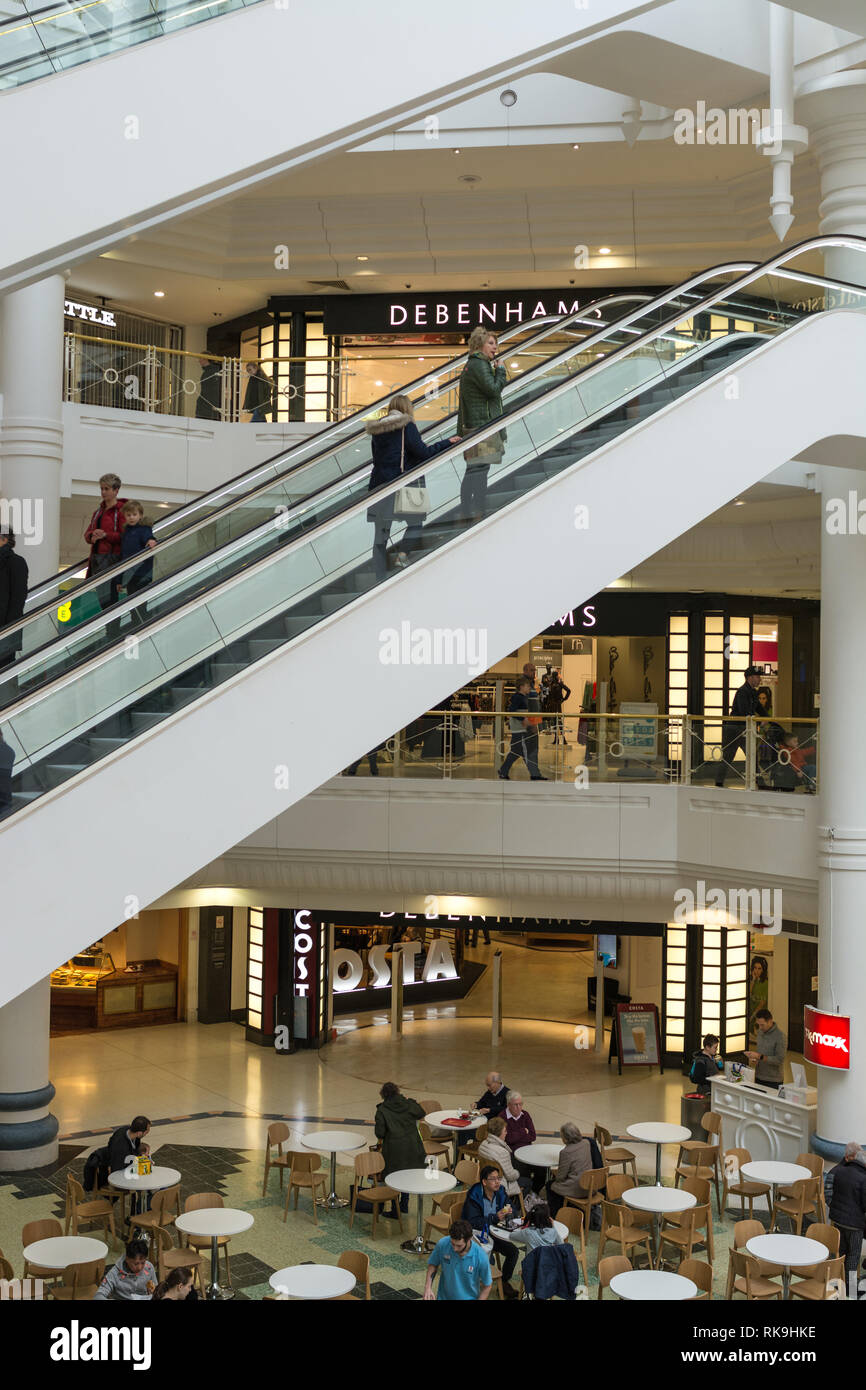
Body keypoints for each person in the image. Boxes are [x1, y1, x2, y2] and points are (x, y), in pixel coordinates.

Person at [365, 394, 459, 580]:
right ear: (407, 408)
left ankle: (379, 576)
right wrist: (446, 442)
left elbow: (378, 457)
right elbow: (423, 452)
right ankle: (402, 556)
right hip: (401, 483)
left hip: (378, 485)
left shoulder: (377, 429)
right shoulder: (406, 425)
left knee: (381, 535)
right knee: (416, 524)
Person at [456, 327, 507, 522]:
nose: (496, 347)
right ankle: (476, 511)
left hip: (476, 425)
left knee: (474, 470)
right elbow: (493, 390)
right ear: (479, 345)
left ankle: (469, 510)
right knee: (478, 472)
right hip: (481, 427)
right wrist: (500, 370)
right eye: (491, 343)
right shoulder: (479, 365)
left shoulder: (475, 364)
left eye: (496, 343)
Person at [461, 1165, 520, 1297]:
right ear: (484, 1182)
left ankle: (503, 1283)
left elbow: (513, 1208)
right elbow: (472, 1222)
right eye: (493, 1179)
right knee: (490, 1261)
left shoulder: (500, 1192)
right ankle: (476, 1289)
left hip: (493, 1233)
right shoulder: (474, 1196)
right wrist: (494, 1217)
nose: (497, 1182)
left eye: (498, 1178)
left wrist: (511, 1212)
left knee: (513, 1252)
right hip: (476, 1236)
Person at [373, 1081, 426, 1213]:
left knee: (393, 1177)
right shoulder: (408, 1104)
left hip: (394, 1150)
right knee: (407, 1174)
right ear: (397, 1091)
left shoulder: (382, 1110)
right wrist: (412, 1101)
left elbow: (379, 1133)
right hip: (413, 1146)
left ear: (383, 1095)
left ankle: (394, 1209)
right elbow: (421, 1112)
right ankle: (404, 1205)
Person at [84, 473, 127, 609]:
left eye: (107, 489)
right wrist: (93, 535)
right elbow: (87, 534)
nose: (103, 492)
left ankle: (113, 629)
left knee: (110, 601)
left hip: (112, 560)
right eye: (102, 489)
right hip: (97, 560)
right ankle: (111, 629)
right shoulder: (98, 512)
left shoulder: (121, 511)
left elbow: (124, 536)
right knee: (103, 601)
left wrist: (105, 535)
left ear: (116, 490)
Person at [827, 1142, 866, 1295]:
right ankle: (850, 1288)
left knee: (841, 1252)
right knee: (853, 1255)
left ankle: (837, 1283)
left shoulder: (840, 1171)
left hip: (837, 1219)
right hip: (855, 1225)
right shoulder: (864, 1178)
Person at [424, 1219, 492, 1301]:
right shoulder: (443, 1244)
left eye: (459, 1246)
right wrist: (428, 1287)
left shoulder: (480, 1256)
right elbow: (433, 1264)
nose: (455, 1249)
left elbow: (487, 1286)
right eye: (452, 1244)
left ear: (469, 1239)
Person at [716, 666, 761, 787]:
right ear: (750, 678)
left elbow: (759, 709)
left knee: (752, 755)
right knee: (728, 756)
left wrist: (769, 720)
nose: (759, 679)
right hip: (734, 730)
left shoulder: (753, 692)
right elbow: (743, 711)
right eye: (757, 677)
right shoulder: (743, 691)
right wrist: (757, 720)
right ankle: (719, 781)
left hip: (744, 729)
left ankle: (759, 781)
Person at [498, 677, 547, 781]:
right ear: (521, 687)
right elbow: (512, 711)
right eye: (527, 686)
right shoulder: (518, 697)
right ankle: (535, 774)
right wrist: (523, 719)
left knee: (516, 751)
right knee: (525, 751)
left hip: (520, 729)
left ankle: (503, 770)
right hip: (519, 730)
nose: (529, 687)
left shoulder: (522, 697)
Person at [478, 1117, 532, 1200]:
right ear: (499, 1133)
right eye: (505, 1131)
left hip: (485, 1180)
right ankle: (514, 1206)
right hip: (500, 1184)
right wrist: (518, 1173)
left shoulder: (482, 1145)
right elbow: (511, 1176)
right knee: (528, 1182)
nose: (506, 1133)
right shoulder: (502, 1152)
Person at [548, 1122, 593, 1216]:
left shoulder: (566, 1152)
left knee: (550, 1185)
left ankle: (556, 1215)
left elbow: (560, 1177)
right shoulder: (586, 1143)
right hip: (590, 1185)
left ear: (566, 1138)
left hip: (577, 1188)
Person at [503, 1091, 545, 1192]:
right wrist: (523, 1131)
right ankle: (525, 1193)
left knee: (542, 1169)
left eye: (520, 1104)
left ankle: (534, 1192)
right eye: (515, 1104)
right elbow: (508, 1139)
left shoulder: (525, 1115)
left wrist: (515, 1136)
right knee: (524, 1172)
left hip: (528, 1150)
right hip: (513, 1154)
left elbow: (532, 1136)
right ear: (509, 1105)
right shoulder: (502, 1117)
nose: (519, 1107)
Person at [0, 528, 28, 671]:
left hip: (5, 630)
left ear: (5, 539)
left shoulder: (16, 562)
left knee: (5, 671)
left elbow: (18, 598)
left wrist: (9, 630)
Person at [117, 502, 157, 600]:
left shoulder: (144, 529)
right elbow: (123, 556)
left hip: (143, 570)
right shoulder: (126, 533)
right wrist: (119, 580)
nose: (131, 517)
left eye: (134, 515)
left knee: (136, 593)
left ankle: (141, 615)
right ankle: (137, 615)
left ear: (140, 516)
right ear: (125, 516)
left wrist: (151, 540)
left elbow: (148, 537)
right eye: (128, 515)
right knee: (131, 594)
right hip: (131, 571)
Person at [746, 1008, 786, 1089]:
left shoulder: (780, 1036)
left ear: (770, 1021)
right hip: (758, 1076)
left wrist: (759, 1056)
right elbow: (760, 1051)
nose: (760, 1028)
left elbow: (779, 1060)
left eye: (762, 1025)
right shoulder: (760, 1032)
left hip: (773, 1080)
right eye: (758, 1024)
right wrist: (754, 1058)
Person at [547, 669, 571, 745]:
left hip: (556, 704)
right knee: (555, 722)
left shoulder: (558, 684)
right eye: (557, 675)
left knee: (558, 721)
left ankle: (562, 739)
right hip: (554, 704)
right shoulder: (553, 684)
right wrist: (563, 699)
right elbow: (549, 696)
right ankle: (557, 739)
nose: (558, 676)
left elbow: (568, 690)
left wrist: (564, 699)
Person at [195, 357, 224, 421]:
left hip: (209, 407)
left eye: (200, 358)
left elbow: (214, 391)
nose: (199, 360)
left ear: (206, 359)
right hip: (206, 406)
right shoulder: (208, 371)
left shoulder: (213, 371)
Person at [748, 958, 769, 1037]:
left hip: (759, 1014)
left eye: (759, 968)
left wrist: (753, 1016)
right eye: (755, 968)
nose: (756, 971)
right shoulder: (751, 980)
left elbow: (762, 1002)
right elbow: (748, 994)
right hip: (751, 1011)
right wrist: (753, 980)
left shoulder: (765, 983)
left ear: (763, 970)